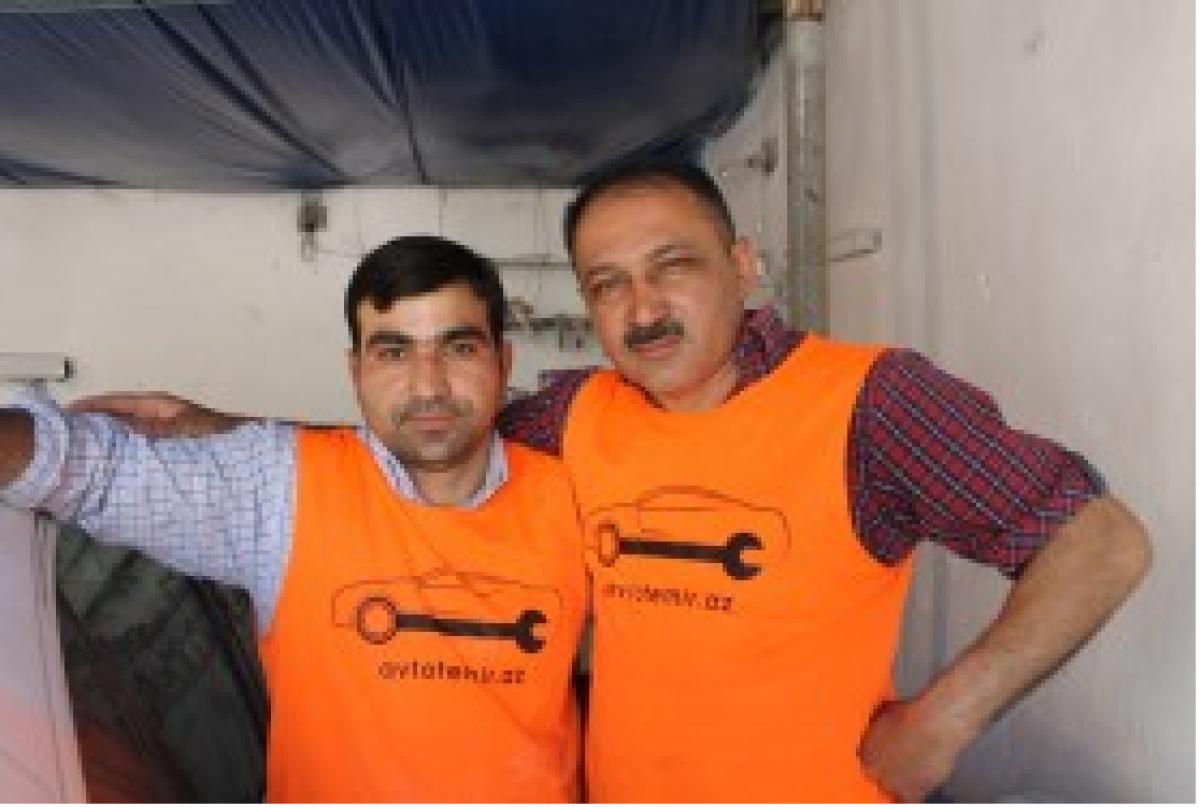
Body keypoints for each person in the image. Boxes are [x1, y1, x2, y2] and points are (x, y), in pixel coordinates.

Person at [79, 160, 1151, 803]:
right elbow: (435, 429)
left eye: (671, 266)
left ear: (743, 265)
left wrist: (946, 720)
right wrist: (228, 429)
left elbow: (1099, 541)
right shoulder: (582, 414)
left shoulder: (870, 402)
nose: (642, 309)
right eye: (607, 283)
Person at [0, 236, 586, 802]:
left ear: (503, 360)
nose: (428, 385)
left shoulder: (578, 494)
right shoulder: (281, 488)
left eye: (459, 348)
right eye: (393, 352)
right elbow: (91, 470)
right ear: (356, 372)